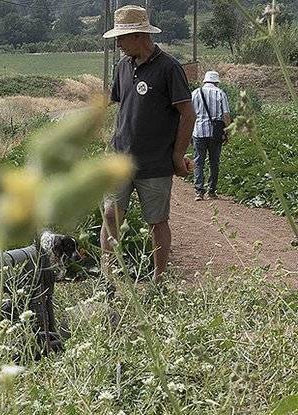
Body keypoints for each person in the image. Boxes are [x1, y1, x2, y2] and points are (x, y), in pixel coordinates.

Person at [100, 5, 196, 280]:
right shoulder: (122, 66)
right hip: (120, 159)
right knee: (110, 214)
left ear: (140, 36)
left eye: (122, 37)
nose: (118, 43)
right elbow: (123, 108)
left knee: (157, 221)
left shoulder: (168, 68)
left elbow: (187, 114)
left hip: (155, 162)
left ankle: (159, 277)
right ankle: (109, 276)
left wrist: (178, 155)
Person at [191, 71, 232, 201]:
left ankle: (199, 191)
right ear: (216, 81)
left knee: (198, 161)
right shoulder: (220, 93)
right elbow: (226, 115)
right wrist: (228, 131)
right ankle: (211, 191)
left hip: (198, 131)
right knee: (214, 162)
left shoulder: (195, 93)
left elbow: (189, 114)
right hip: (215, 133)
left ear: (205, 80)